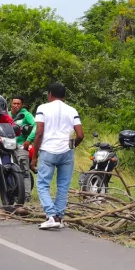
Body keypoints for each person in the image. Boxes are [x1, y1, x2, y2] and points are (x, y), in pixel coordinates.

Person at [31, 82, 83, 230]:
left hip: (48, 151)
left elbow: (39, 132)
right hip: (66, 152)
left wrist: (35, 156)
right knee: (63, 186)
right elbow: (80, 135)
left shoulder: (43, 108)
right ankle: (59, 217)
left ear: (50, 95)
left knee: (42, 184)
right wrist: (71, 147)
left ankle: (51, 215)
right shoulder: (72, 110)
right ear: (64, 96)